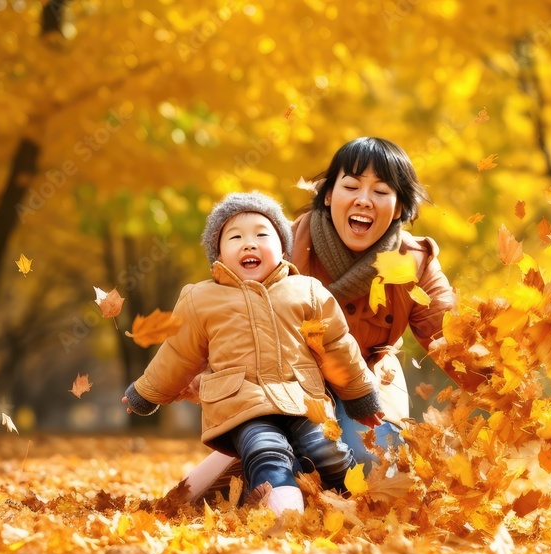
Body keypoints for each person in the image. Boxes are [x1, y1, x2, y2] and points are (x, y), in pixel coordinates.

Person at [181, 138, 456, 497]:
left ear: (399, 205)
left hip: (370, 380)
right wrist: (199, 369)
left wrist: (497, 379)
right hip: (288, 380)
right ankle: (269, 467)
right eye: (352, 185)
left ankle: (283, 473)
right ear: (328, 195)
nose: (363, 199)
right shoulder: (283, 245)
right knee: (219, 487)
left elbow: (449, 336)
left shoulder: (415, 261)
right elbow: (230, 303)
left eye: (381, 190)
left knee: (372, 465)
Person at [122, 192, 384, 515]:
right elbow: (178, 353)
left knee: (326, 450)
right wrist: (145, 394)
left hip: (303, 398)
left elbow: (336, 346)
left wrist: (361, 395)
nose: (249, 244)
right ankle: (283, 513)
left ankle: (358, 506)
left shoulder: (307, 291)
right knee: (266, 453)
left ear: (282, 248)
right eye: (235, 237)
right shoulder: (201, 298)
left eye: (262, 234)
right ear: (217, 254)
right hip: (241, 403)